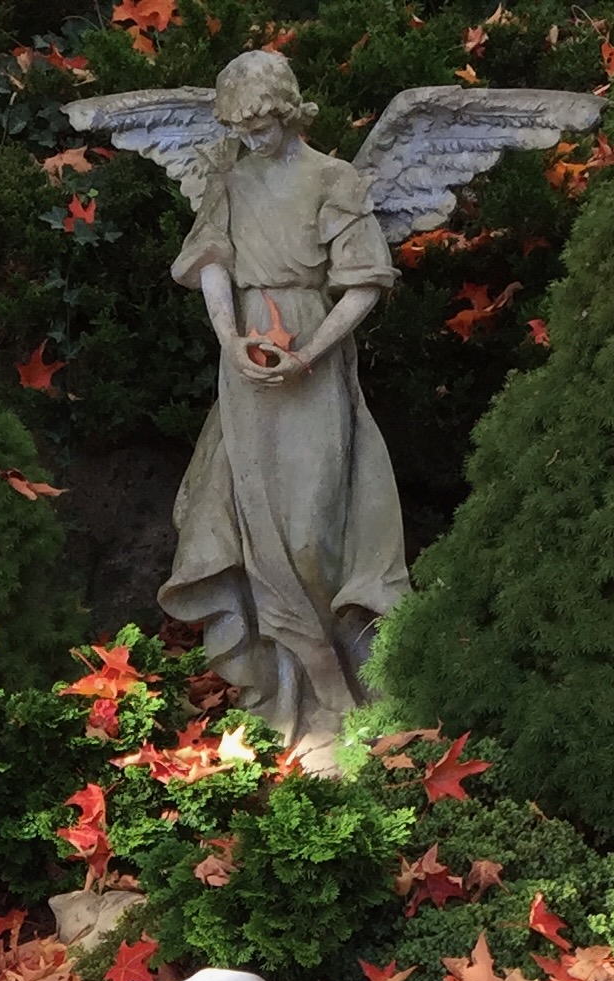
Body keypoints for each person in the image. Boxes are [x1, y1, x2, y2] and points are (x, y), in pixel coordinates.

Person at [161, 49, 411, 767]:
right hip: (246, 365)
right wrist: (230, 339)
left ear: (289, 111)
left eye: (262, 125)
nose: (251, 138)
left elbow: (363, 283)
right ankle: (304, 702)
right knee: (258, 532)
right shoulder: (229, 178)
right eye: (239, 128)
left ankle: (354, 685)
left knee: (314, 535)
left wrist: (311, 352)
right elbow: (213, 264)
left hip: (313, 360)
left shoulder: (333, 179)